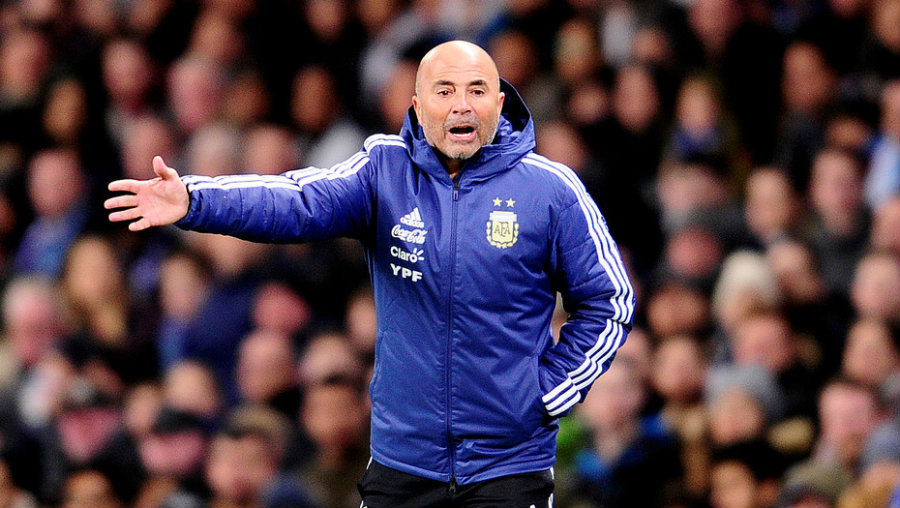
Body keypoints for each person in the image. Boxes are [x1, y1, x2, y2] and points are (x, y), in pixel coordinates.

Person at [105, 40, 635, 507]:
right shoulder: (384, 170)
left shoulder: (551, 190)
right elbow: (297, 200)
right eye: (444, 91)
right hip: (402, 462)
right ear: (418, 106)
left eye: (477, 90)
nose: (461, 104)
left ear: (499, 104)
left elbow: (610, 300)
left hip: (509, 467)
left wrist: (546, 393)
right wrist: (194, 199)